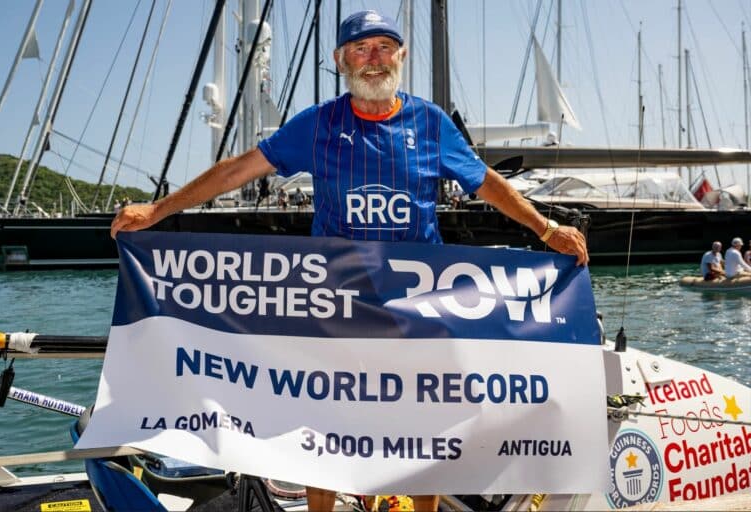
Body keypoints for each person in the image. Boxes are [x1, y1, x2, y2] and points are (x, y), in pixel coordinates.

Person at [111, 10, 588, 511]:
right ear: (340, 60)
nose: (374, 59)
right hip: (336, 309)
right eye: (361, 49)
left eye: (385, 47)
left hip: (416, 311)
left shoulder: (430, 123)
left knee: (423, 435)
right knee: (327, 434)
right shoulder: (319, 124)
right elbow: (239, 170)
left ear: (402, 56)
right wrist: (159, 210)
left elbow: (486, 182)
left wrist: (546, 228)